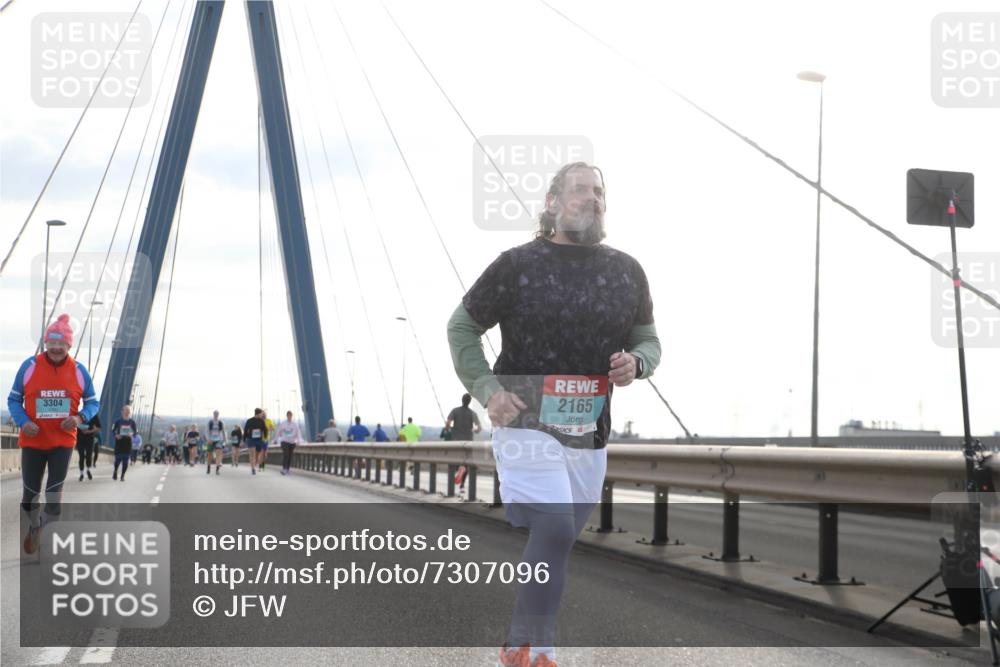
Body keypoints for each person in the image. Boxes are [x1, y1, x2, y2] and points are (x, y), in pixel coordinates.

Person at [447, 162, 660, 666]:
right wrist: (488, 390)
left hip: (589, 433)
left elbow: (647, 339)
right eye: (581, 190)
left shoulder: (627, 271)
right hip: (525, 422)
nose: (593, 199)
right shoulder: (517, 264)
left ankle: (518, 642)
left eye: (599, 191)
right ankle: (536, 651)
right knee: (557, 528)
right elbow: (461, 328)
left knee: (558, 540)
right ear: (552, 203)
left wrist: (638, 363)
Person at [8, 314, 99, 553]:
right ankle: (35, 526)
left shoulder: (79, 371)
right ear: (46, 343)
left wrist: (79, 418)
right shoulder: (29, 367)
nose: (56, 348)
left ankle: (45, 537)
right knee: (29, 496)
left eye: (62, 344)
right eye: (52, 343)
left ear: (70, 345)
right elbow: (14, 399)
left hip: (62, 442)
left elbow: (93, 403)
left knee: (53, 494)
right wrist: (23, 421)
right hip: (32, 441)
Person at [112, 406, 138, 481]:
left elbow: (136, 432)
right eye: (125, 410)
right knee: (117, 460)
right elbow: (113, 430)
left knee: (125, 461)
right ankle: (115, 471)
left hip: (127, 443)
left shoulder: (132, 422)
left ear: (130, 412)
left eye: (128, 411)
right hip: (119, 443)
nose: (127, 412)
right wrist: (116, 435)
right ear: (122, 412)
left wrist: (132, 434)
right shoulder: (118, 421)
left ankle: (122, 475)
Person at [275, 410, 304, 475]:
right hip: (284, 441)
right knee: (286, 455)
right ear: (287, 416)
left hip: (292, 442)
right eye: (288, 415)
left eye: (290, 415)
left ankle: (287, 469)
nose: (289, 417)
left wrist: (299, 441)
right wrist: (276, 440)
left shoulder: (295, 424)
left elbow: (298, 433)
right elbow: (278, 431)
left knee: (290, 456)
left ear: (291, 416)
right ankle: (284, 469)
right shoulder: (283, 423)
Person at [76, 413, 101, 481]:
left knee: (88, 455)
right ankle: (81, 474)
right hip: (79, 439)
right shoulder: (78, 413)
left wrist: (89, 431)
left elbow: (99, 428)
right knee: (81, 456)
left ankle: (88, 470)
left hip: (90, 439)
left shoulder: (94, 414)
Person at [243, 408, 268, 475]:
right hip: (251, 439)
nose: (262, 415)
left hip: (259, 440)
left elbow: (265, 430)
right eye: (261, 414)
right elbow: (245, 430)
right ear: (258, 413)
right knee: (252, 454)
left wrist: (265, 438)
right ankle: (253, 468)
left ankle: (254, 464)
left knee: (257, 454)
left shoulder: (262, 421)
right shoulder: (249, 421)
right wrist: (244, 438)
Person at [206, 410, 225, 475]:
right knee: (209, 455)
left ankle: (217, 469)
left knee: (218, 454)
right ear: (213, 414)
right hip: (210, 440)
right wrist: (208, 439)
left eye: (217, 414)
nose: (216, 415)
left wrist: (224, 439)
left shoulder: (220, 422)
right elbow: (207, 431)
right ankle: (208, 467)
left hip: (218, 440)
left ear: (218, 415)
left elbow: (223, 431)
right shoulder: (210, 422)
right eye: (215, 414)